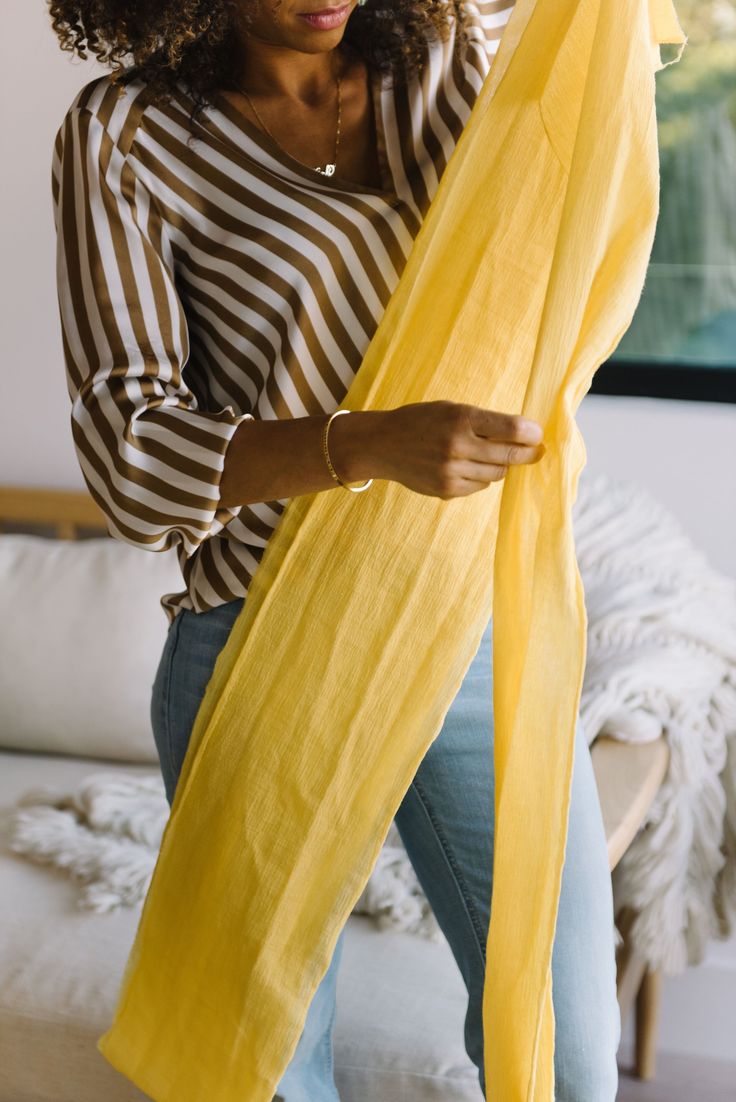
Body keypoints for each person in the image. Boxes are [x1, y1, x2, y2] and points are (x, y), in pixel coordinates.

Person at [50, 0, 621, 1097]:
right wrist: (359, 443)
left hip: (466, 626)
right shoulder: (124, 136)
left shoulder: (445, 64)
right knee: (267, 1071)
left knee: (564, 1050)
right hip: (259, 644)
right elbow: (128, 456)